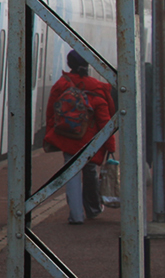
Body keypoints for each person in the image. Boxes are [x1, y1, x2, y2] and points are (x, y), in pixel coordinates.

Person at [44, 50, 115, 225]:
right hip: (91, 142)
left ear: (70, 65)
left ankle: (76, 216)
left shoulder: (62, 85)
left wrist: (52, 134)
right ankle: (93, 208)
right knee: (90, 173)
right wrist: (110, 146)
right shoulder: (98, 87)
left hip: (69, 138)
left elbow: (51, 111)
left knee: (71, 176)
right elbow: (106, 120)